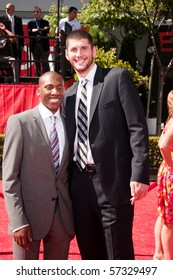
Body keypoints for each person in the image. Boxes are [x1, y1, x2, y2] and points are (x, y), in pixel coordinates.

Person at [62, 29, 149, 260]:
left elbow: (137, 127)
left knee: (118, 256)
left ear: (94, 51)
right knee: (90, 255)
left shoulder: (116, 78)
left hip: (113, 182)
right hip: (78, 185)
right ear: (67, 55)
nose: (79, 54)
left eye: (83, 48)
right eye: (74, 50)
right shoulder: (68, 96)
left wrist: (139, 174)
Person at [2, 71, 74, 260]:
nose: (55, 92)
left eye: (59, 88)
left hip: (62, 218)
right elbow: (10, 177)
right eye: (49, 87)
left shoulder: (70, 124)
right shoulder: (20, 122)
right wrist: (18, 222)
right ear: (38, 91)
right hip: (28, 217)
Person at [154, 89, 173, 260]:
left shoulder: (170, 120)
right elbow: (162, 145)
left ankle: (159, 253)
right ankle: (168, 259)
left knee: (164, 214)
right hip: (171, 173)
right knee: (170, 219)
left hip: (166, 170)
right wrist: (172, 166)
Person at [0, 3, 24, 75]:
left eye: (8, 9)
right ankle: (9, 76)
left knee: (17, 58)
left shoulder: (18, 19)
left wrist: (21, 44)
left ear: (13, 9)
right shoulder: (2, 18)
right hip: (6, 41)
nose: (7, 10)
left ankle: (17, 77)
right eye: (6, 8)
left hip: (16, 41)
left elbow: (21, 32)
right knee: (9, 59)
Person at [28, 6, 50, 77]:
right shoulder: (30, 23)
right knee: (36, 62)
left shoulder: (45, 22)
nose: (36, 13)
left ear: (40, 13)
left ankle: (46, 77)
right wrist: (41, 30)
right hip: (35, 45)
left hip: (43, 44)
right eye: (34, 12)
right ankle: (37, 78)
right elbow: (29, 31)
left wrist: (37, 30)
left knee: (45, 62)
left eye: (37, 12)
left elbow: (47, 30)